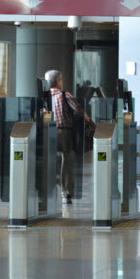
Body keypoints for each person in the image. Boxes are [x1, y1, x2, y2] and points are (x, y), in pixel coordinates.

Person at [46, 69, 92, 204]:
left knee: (50, 160)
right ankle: (66, 193)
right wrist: (89, 120)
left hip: (49, 131)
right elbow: (78, 108)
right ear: (58, 81)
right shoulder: (64, 95)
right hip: (65, 132)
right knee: (67, 162)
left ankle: (49, 190)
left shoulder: (45, 97)